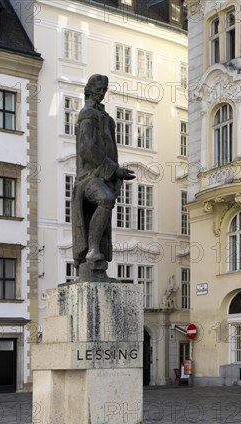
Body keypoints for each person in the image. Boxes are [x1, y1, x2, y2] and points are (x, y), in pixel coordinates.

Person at [72, 74, 135, 274]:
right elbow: (87, 148)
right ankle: (92, 250)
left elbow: (110, 149)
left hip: (103, 175)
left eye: (104, 89)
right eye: (98, 88)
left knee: (107, 201)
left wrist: (114, 176)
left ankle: (94, 251)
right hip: (88, 177)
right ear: (89, 89)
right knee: (106, 199)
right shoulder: (88, 114)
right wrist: (115, 170)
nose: (102, 92)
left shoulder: (107, 118)